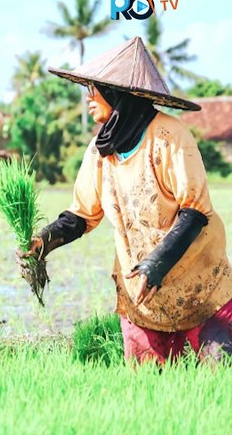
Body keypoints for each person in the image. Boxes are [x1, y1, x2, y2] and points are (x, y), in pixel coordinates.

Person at [17, 37, 232, 364]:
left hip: (198, 281)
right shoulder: (100, 150)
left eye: (95, 90)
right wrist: (41, 242)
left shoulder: (170, 137)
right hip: (141, 293)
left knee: (222, 368)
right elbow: (81, 216)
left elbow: (195, 211)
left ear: (119, 96)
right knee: (148, 387)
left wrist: (155, 265)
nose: (88, 98)